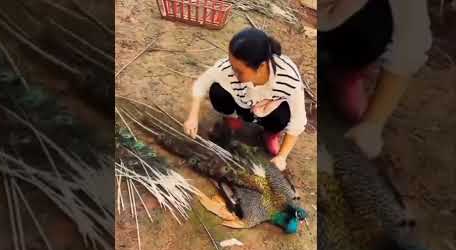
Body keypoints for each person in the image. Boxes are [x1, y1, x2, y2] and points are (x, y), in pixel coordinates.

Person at [318, 0, 432, 159]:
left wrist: (372, 124)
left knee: (382, 20)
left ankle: (344, 71)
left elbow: (412, 44)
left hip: (343, 34)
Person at [183, 28, 307, 171]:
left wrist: (282, 156)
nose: (232, 71)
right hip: (242, 103)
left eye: (239, 71)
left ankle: (270, 133)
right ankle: (232, 119)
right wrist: (193, 116)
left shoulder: (288, 77)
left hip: (266, 109)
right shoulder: (228, 68)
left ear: (261, 66)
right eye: (231, 64)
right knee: (217, 91)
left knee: (282, 116)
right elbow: (201, 83)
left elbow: (298, 121)